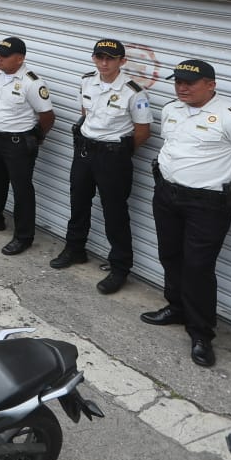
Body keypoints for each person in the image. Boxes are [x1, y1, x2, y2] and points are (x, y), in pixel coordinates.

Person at [141, 59, 231, 368]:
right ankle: (176, 307)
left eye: (190, 82)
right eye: (178, 80)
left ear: (211, 84)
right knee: (170, 254)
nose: (182, 86)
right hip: (167, 194)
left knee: (198, 267)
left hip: (208, 204)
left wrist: (229, 189)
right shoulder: (171, 109)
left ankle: (201, 332)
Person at [51, 38, 151, 293]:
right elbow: (87, 114)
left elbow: (142, 131)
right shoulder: (87, 80)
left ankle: (119, 268)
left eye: (110, 58)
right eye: (99, 57)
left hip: (113, 157)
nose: (104, 62)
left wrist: (117, 154)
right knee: (78, 202)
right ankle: (74, 249)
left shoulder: (133, 92)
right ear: (94, 58)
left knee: (115, 212)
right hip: (85, 151)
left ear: (122, 61)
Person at [0, 36, 55, 255]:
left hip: (18, 144)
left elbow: (47, 116)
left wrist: (37, 136)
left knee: (22, 190)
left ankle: (23, 236)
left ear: (20, 59)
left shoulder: (32, 82)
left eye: (4, 56)